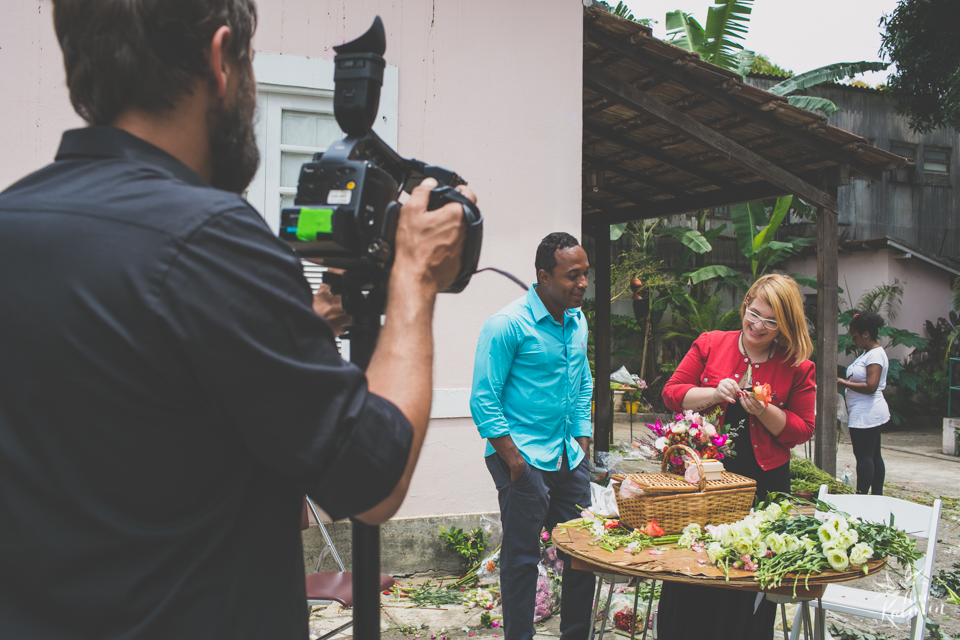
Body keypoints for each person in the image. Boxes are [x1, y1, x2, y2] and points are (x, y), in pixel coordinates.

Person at [0, 1, 474, 638]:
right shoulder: (209, 237)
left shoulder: (15, 221)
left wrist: (298, 326)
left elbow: (135, 396)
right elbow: (372, 481)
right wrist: (414, 276)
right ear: (220, 58)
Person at [658, 273, 816, 640]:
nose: (758, 326)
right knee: (693, 560)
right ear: (745, 306)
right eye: (754, 314)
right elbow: (673, 393)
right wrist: (713, 392)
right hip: (705, 476)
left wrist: (764, 410)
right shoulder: (712, 344)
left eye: (771, 321)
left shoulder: (797, 366)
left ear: (785, 326)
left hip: (763, 482)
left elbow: (801, 429)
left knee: (747, 567)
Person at [470, 232, 594, 640]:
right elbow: (484, 398)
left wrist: (583, 443)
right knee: (522, 558)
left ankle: (575, 634)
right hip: (520, 459)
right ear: (543, 276)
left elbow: (582, 386)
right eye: (572, 275)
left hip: (567, 458)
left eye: (585, 274)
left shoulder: (578, 322)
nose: (582, 284)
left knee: (582, 553)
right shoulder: (506, 325)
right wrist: (514, 461)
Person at [837, 312, 889, 495]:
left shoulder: (874, 355)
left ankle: (862, 495)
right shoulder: (869, 353)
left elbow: (871, 386)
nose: (854, 341)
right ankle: (876, 495)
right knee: (873, 455)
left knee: (864, 457)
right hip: (866, 411)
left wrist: (844, 383)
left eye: (856, 337)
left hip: (867, 413)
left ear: (866, 334)